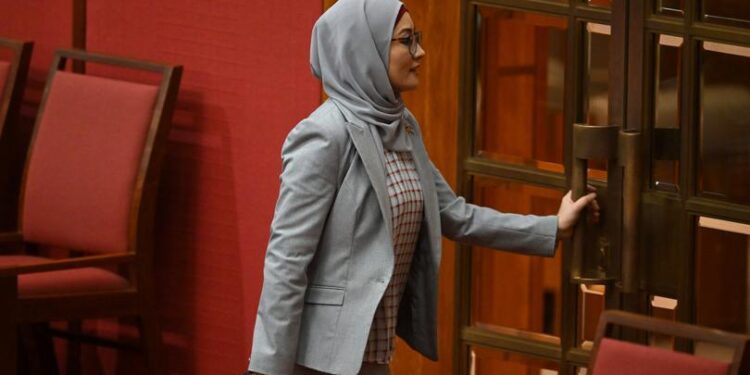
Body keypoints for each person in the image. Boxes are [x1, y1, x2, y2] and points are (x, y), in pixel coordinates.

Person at [247, 1, 598, 374]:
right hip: (319, 360)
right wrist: (267, 369)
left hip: (372, 358)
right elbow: (287, 260)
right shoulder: (324, 135)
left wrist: (551, 227)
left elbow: (455, 214)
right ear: (365, 48)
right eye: (406, 41)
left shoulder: (403, 125)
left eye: (418, 39)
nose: (420, 52)